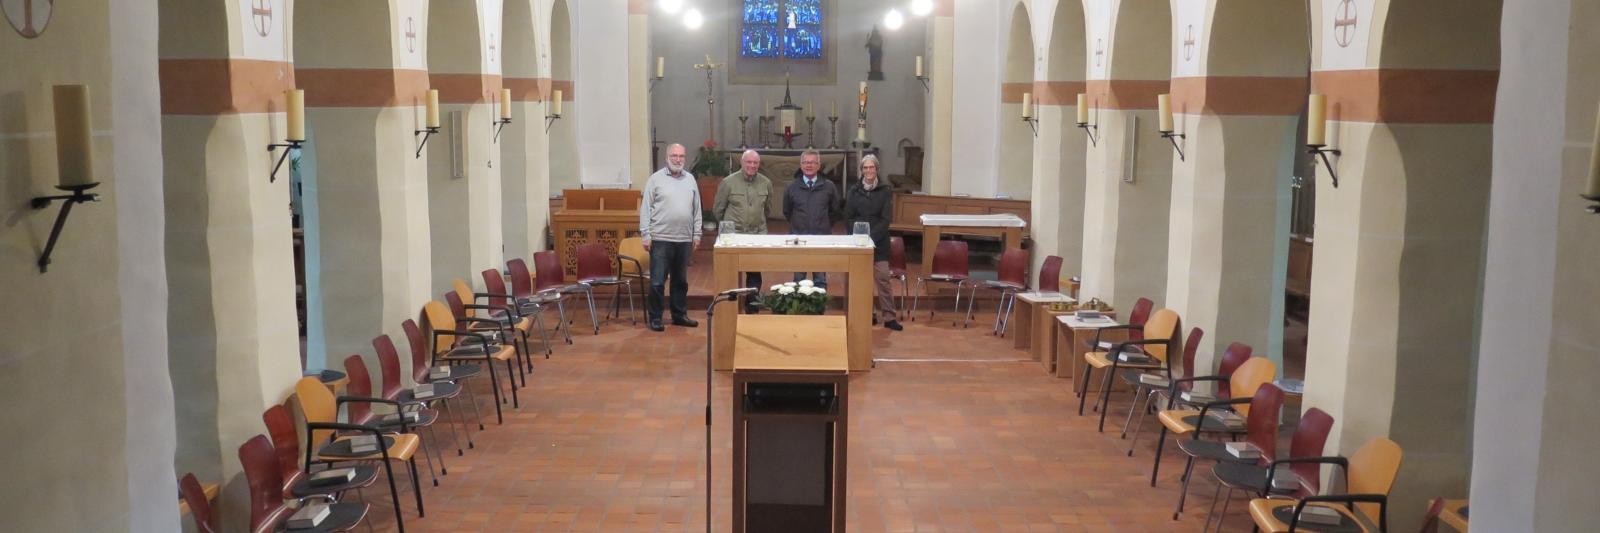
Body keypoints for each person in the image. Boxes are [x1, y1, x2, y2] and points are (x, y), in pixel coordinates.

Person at [639, 143, 702, 332]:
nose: (678, 159)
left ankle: (679, 315)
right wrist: (645, 234)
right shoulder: (655, 179)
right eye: (674, 156)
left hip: (683, 239)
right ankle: (656, 317)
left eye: (681, 156)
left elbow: (696, 209)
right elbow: (645, 209)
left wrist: (697, 234)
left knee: (680, 281)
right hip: (660, 238)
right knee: (658, 281)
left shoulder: (690, 179)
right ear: (667, 158)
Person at [843, 154, 902, 331]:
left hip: (879, 243)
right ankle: (868, 315)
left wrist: (871, 238)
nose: (869, 171)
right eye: (865, 168)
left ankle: (889, 317)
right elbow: (848, 217)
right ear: (861, 171)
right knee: (863, 280)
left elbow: (885, 219)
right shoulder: (853, 191)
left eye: (872, 167)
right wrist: (860, 236)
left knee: (883, 279)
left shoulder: (885, 191)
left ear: (877, 169)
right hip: (859, 242)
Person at [713, 150, 772, 313]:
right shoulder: (728, 182)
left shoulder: (766, 182)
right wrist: (728, 228)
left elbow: (767, 209)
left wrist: (756, 223)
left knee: (754, 274)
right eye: (749, 162)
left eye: (755, 163)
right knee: (730, 272)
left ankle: (752, 308)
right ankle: (729, 308)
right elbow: (718, 210)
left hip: (757, 235)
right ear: (742, 162)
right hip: (733, 236)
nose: (752, 166)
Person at [783, 149, 839, 288]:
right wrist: (799, 224)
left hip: (821, 239)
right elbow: (787, 212)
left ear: (819, 165)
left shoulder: (829, 187)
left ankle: (819, 309)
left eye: (813, 162)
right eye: (806, 162)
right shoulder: (791, 187)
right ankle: (799, 309)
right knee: (798, 279)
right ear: (801, 165)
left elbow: (835, 211)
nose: (809, 165)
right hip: (798, 240)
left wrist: (824, 225)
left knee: (820, 279)